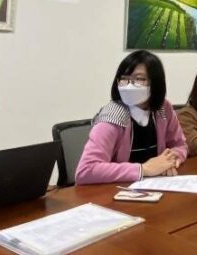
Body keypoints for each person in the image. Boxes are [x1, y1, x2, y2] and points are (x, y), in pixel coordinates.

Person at [75, 50, 187, 184]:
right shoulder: (113, 116)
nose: (129, 86)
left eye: (139, 79)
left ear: (155, 83)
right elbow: (85, 170)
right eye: (124, 79)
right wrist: (143, 169)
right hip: (114, 191)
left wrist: (171, 161)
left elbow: (179, 145)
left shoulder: (162, 108)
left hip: (155, 186)